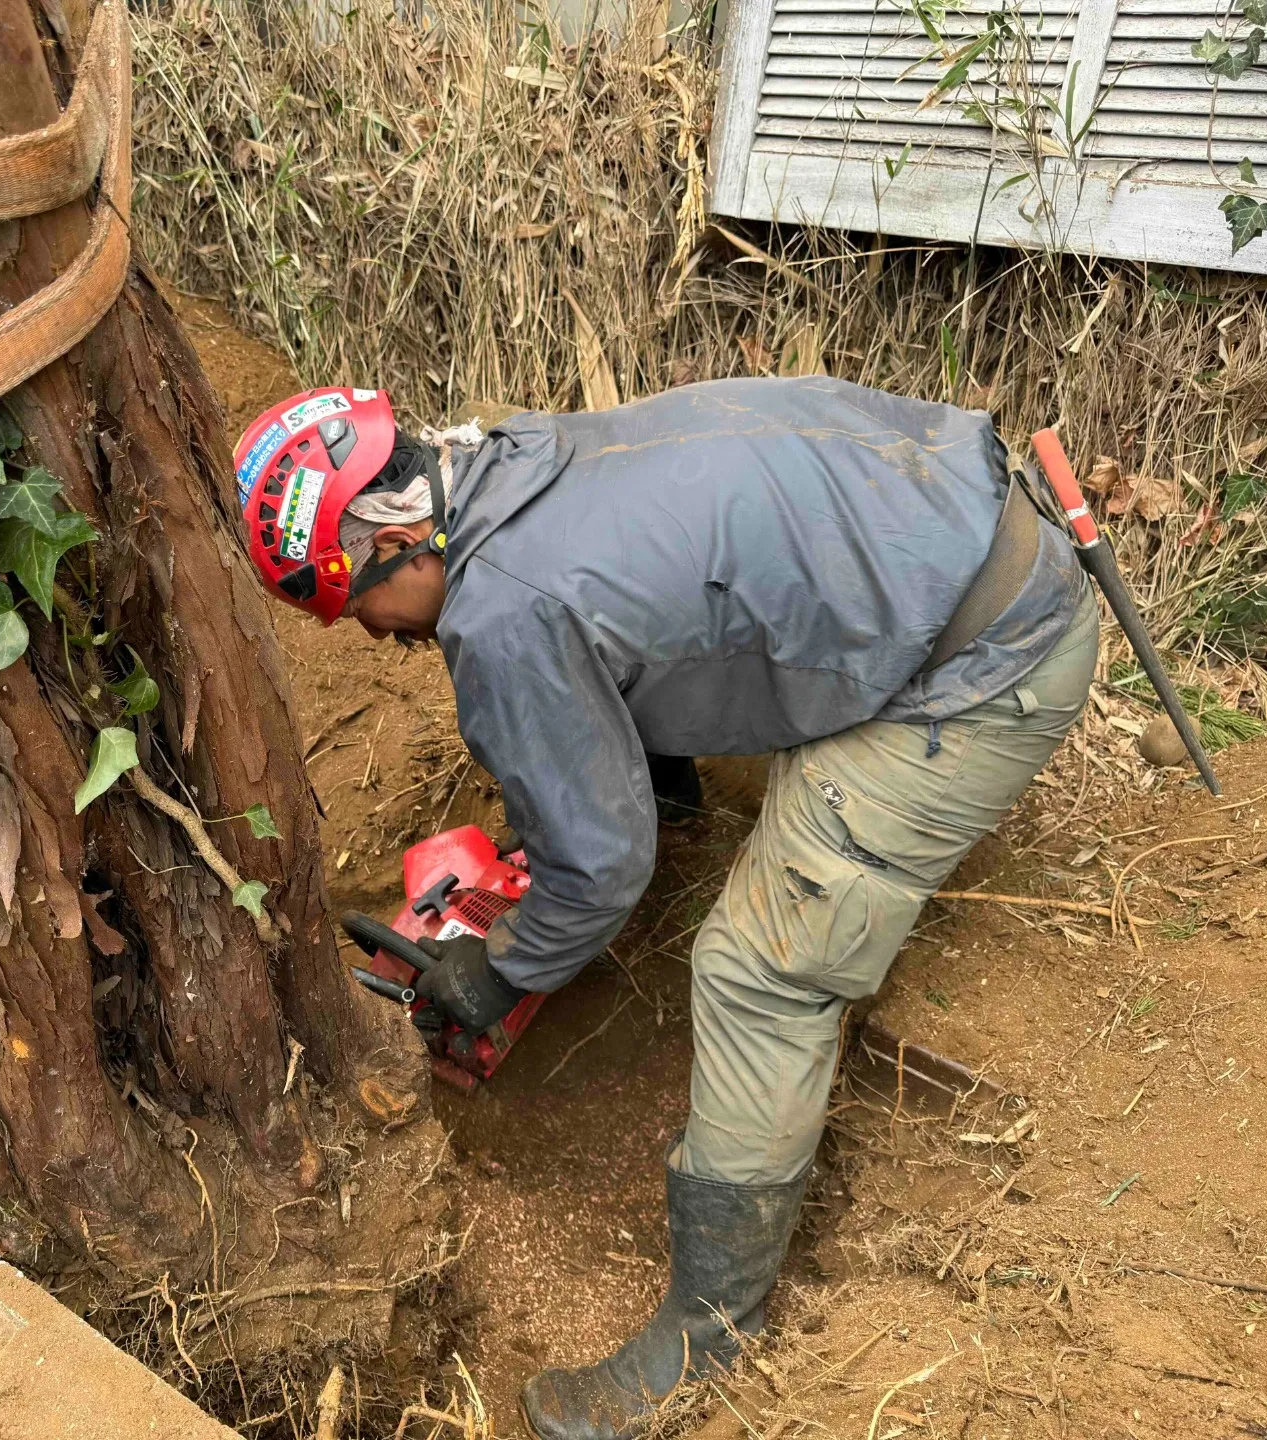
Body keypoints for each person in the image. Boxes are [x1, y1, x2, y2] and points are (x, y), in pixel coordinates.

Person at [233, 380, 1097, 1440]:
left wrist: (501, 969)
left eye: (351, 604)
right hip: (954, 520)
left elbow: (600, 866)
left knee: (755, 972)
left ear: (401, 542)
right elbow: (643, 607)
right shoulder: (518, 457)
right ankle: (674, 783)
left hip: (983, 662)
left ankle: (710, 1329)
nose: (368, 633)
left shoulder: (504, 613)